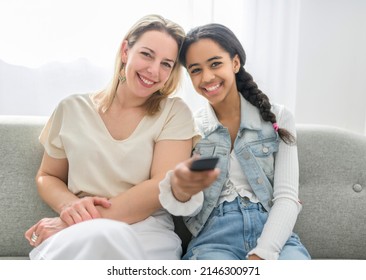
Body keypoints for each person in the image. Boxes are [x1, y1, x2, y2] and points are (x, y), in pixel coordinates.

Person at [24, 14, 199, 260]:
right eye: (147, 54)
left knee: (104, 241)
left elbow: (162, 185)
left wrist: (80, 222)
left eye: (166, 64)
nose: (153, 70)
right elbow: (48, 175)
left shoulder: (174, 113)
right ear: (125, 50)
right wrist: (69, 208)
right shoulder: (72, 108)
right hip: (80, 227)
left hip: (146, 232)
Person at [159, 23, 311, 260]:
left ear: (236, 63)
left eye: (215, 63)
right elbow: (185, 207)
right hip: (213, 240)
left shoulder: (279, 117)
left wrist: (263, 253)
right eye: (196, 70)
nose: (207, 77)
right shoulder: (190, 127)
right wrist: (180, 190)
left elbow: (287, 197)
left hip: (274, 236)